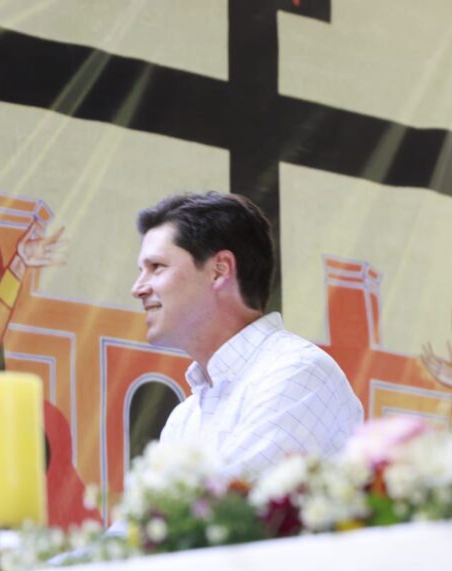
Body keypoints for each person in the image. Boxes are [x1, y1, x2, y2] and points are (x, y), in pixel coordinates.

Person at [131, 191, 363, 479]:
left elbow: (230, 512)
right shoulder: (184, 419)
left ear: (220, 270)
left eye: (156, 268)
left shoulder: (298, 372)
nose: (138, 288)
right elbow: (150, 522)